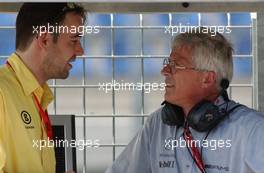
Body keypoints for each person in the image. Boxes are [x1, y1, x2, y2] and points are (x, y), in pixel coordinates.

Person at [105, 29, 264, 173]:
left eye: (175, 65)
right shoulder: (157, 125)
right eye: (167, 63)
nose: (164, 71)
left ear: (207, 79)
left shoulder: (253, 130)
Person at [0, 3, 85, 173]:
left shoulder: (35, 95)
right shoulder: (2, 93)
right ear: (44, 39)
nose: (80, 50)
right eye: (74, 40)